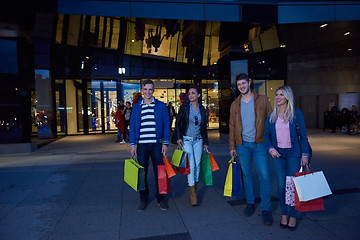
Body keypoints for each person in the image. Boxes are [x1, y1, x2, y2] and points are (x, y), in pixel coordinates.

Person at [264, 85, 311, 231]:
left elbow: (303, 136)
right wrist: (270, 148)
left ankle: (293, 216)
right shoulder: (271, 116)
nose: (277, 97)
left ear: (288, 97)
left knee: (293, 185)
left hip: (293, 154)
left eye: (281, 95)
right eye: (276, 95)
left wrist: (305, 154)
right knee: (281, 185)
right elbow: (266, 135)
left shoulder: (296, 114)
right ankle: (284, 214)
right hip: (278, 155)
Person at [228, 73, 273, 226]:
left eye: (243, 83)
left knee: (264, 176)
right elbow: (232, 126)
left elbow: (271, 121)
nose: (241, 86)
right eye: (239, 84)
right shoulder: (235, 104)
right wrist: (232, 146)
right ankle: (250, 202)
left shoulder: (262, 100)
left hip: (260, 144)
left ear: (249, 82)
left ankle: (266, 209)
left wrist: (271, 144)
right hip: (242, 145)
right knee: (246, 174)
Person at [129, 79, 171, 211]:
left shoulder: (160, 106)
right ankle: (143, 198)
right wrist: (132, 144)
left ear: (153, 90)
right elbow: (133, 126)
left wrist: (166, 143)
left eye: (150, 89)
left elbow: (167, 124)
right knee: (142, 173)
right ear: (142, 90)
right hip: (141, 145)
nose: (148, 92)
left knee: (160, 172)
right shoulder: (136, 107)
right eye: (145, 89)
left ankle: (160, 198)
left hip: (157, 145)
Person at [173, 85, 209, 206]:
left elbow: (204, 127)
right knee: (192, 165)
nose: (191, 95)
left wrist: (205, 142)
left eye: (193, 93)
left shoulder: (202, 109)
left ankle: (194, 188)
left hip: (198, 140)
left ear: (199, 95)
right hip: (186, 139)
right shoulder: (184, 107)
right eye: (189, 93)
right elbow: (177, 123)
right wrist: (178, 137)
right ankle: (193, 194)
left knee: (198, 164)